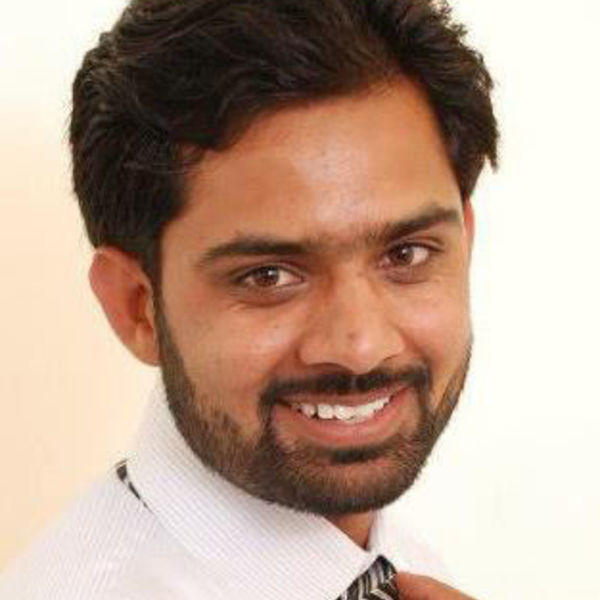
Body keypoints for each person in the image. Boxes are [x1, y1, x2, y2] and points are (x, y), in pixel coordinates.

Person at [0, 0, 498, 598]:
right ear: (138, 306)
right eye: (268, 276)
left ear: (463, 244)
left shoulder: (393, 560)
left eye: (406, 254)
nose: (361, 347)